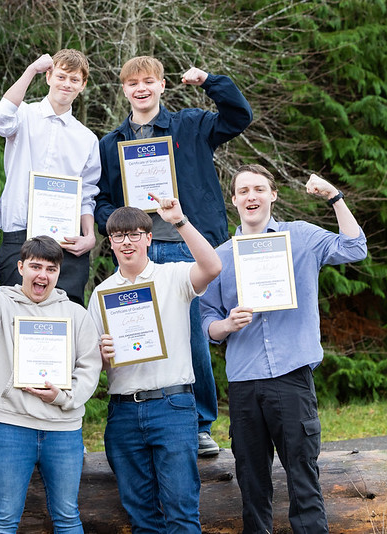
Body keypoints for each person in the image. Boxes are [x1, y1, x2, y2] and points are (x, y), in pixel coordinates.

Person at [94, 56, 253, 455]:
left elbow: (239, 116)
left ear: (162, 85)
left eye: (149, 81)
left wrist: (209, 80)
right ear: (124, 89)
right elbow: (103, 199)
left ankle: (199, 423)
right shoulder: (110, 143)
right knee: (136, 332)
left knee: (193, 335)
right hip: (137, 251)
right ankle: (141, 419)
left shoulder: (191, 124)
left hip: (187, 245)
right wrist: (117, 225)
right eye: (133, 83)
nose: (141, 89)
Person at [200, 165, 367, 533]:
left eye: (259, 189)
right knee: (251, 483)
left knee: (303, 478)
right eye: (244, 191)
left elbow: (355, 247)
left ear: (273, 195)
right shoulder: (220, 257)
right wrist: (226, 325)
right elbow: (205, 319)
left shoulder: (301, 237)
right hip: (244, 382)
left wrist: (334, 196)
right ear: (234, 200)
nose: (252, 196)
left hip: (292, 377)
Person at [87, 198, 221, 532]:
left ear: (148, 238)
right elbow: (92, 363)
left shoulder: (173, 275)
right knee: (142, 519)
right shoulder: (102, 293)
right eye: (119, 236)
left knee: (181, 513)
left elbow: (212, 267)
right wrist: (101, 355)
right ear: (110, 242)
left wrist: (179, 221)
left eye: (134, 234)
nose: (127, 242)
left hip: (172, 405)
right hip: (123, 412)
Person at [0, 229, 102, 532]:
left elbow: (90, 367)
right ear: (21, 267)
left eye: (51, 269)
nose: (43, 275)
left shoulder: (76, 314)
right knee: (4, 518)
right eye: (36, 267)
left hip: (63, 430)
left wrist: (63, 397)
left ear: (58, 273)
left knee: (68, 517)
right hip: (12, 427)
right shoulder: (1, 305)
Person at [0, 49, 101, 304]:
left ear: (83, 85)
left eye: (74, 79)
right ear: (49, 77)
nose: (67, 84)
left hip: (65, 243)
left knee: (66, 316)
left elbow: (87, 194)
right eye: (61, 76)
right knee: (16, 314)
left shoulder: (87, 139)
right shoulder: (23, 115)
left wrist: (89, 236)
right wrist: (32, 69)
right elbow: (0, 118)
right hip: (19, 234)